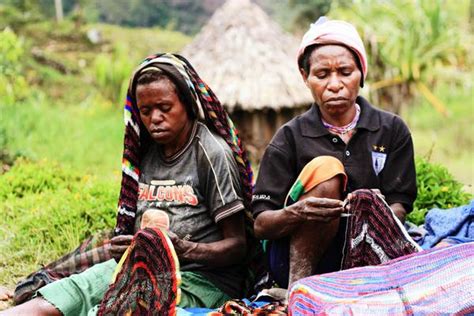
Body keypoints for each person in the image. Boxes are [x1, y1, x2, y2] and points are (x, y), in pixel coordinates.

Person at [2, 53, 255, 315]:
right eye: (145, 111)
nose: (154, 118)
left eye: (165, 108)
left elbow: (237, 246)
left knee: (116, 308)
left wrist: (183, 249)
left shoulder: (211, 152)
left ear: (188, 104)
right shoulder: (144, 152)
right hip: (138, 267)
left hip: (199, 281)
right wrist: (123, 245)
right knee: (65, 295)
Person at [251, 17, 417, 289]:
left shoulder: (390, 130)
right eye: (322, 74)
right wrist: (299, 212)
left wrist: (376, 212)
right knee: (326, 169)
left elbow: (400, 204)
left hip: (369, 258)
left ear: (361, 74)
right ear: (305, 78)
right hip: (299, 262)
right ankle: (301, 291)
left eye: (345, 71)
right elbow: (261, 225)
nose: (335, 84)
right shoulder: (290, 138)